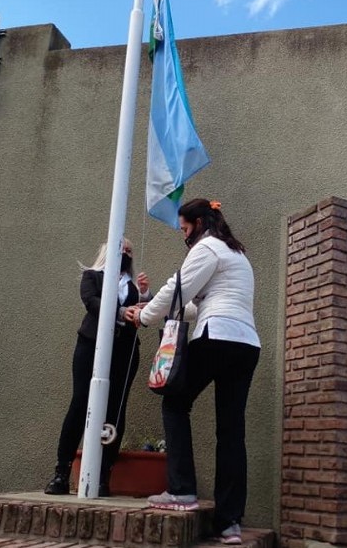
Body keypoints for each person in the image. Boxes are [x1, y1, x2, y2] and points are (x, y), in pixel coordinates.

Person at [126, 199, 260, 545]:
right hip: (246, 344)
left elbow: (177, 288)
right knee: (231, 432)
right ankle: (229, 523)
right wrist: (154, 305)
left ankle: (182, 490)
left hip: (216, 335)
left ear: (199, 222)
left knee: (175, 402)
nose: (185, 237)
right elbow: (194, 305)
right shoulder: (237, 253)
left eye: (185, 229)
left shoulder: (208, 247)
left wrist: (143, 316)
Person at [44, 239, 151, 496]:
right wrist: (119, 311)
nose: (125, 253)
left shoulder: (133, 287)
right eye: (121, 249)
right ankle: (62, 471)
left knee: (115, 410)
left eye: (129, 251)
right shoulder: (92, 276)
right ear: (107, 251)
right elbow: (91, 302)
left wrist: (145, 296)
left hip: (124, 353)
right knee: (81, 404)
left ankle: (104, 475)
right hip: (91, 346)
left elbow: (144, 316)